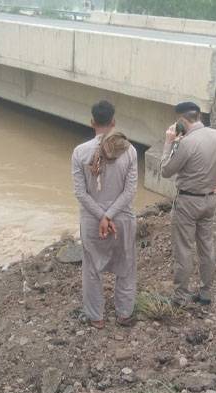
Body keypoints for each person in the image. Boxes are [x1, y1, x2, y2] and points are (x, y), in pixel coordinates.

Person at [161, 102, 216, 307]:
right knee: (206, 247)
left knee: (183, 249)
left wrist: (169, 142)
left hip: (188, 202)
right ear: (199, 116)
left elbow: (166, 170)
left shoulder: (186, 143)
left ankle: (180, 297)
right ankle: (206, 292)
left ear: (182, 120)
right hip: (210, 200)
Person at [72, 100, 138, 329]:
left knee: (91, 269)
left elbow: (80, 193)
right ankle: (124, 314)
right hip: (122, 219)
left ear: (92, 122)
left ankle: (96, 317)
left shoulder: (80, 152)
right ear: (113, 122)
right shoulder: (129, 150)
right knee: (126, 267)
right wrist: (110, 215)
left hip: (92, 220)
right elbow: (130, 191)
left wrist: (102, 216)